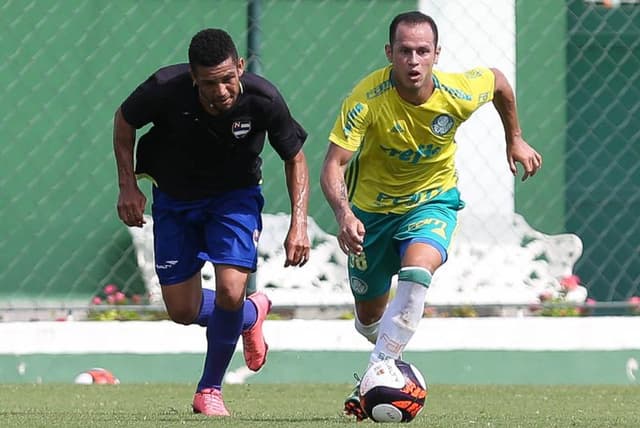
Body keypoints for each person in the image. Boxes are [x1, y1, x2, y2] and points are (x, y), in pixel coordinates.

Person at [320, 11, 542, 421]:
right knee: (370, 316)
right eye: (405, 51)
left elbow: (498, 81)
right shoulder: (365, 100)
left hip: (431, 201)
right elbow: (333, 165)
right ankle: (382, 356)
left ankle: (375, 372)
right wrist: (344, 214)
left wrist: (515, 138)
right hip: (371, 215)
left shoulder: (457, 90)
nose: (414, 60)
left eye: (423, 51)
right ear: (390, 53)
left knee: (418, 271)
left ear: (437, 53)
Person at [113, 28, 310, 416]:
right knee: (182, 310)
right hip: (174, 200)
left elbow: (295, 157)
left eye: (227, 79)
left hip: (234, 199)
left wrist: (298, 223)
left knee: (231, 290)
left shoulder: (263, 98)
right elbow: (124, 122)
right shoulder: (164, 88)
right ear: (192, 77)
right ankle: (251, 316)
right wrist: (127, 186)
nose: (221, 91)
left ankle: (209, 390)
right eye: (209, 83)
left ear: (240, 67)